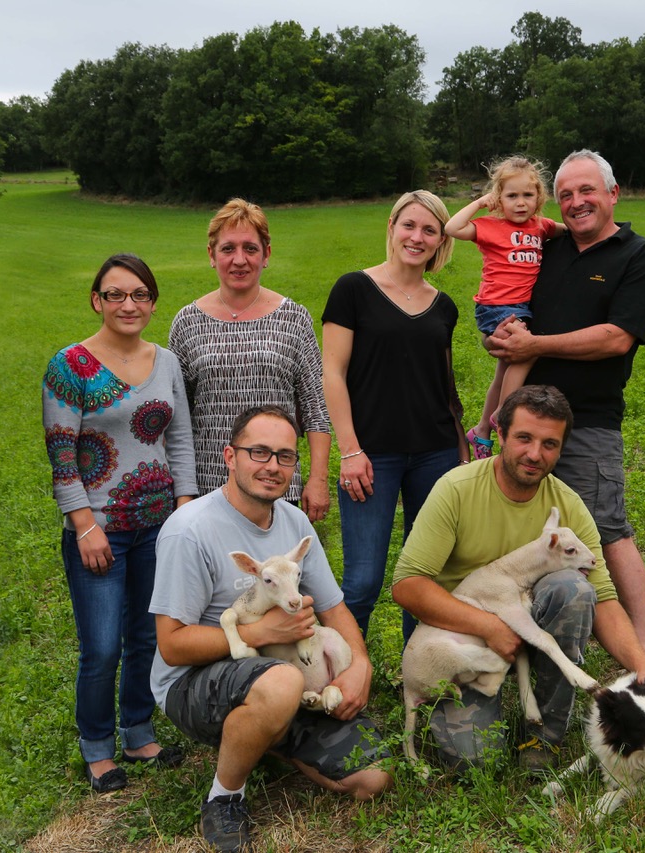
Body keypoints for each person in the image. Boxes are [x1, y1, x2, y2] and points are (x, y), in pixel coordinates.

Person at [392, 385, 645, 774]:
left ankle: (543, 736)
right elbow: (408, 584)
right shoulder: (455, 490)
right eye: (524, 438)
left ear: (560, 450)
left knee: (574, 589)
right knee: (472, 763)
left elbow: (605, 597)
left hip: (529, 623)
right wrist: (489, 627)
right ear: (501, 434)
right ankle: (475, 701)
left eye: (549, 444)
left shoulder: (568, 504)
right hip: (465, 641)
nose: (534, 454)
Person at [151, 405, 390, 853]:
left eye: (284, 456)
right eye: (258, 452)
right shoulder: (189, 531)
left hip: (278, 674)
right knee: (283, 680)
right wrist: (261, 633)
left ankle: (270, 734)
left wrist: (360, 664)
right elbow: (172, 646)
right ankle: (224, 798)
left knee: (372, 778)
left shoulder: (294, 522)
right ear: (229, 456)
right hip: (193, 683)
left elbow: (335, 607)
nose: (272, 467)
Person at [488, 149, 645, 668]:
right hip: (525, 421)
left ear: (613, 194)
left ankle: (643, 653)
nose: (576, 202)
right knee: (523, 536)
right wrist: (502, 338)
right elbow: (513, 311)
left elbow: (617, 338)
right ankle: (532, 642)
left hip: (587, 422)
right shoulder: (550, 247)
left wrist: (536, 345)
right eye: (565, 194)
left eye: (587, 190)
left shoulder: (640, 256)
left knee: (607, 531)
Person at [42, 253, 197, 792]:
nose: (128, 304)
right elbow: (62, 453)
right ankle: (97, 746)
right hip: (100, 529)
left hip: (159, 525)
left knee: (146, 636)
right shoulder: (72, 366)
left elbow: (179, 440)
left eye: (139, 295)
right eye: (115, 294)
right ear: (96, 301)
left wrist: (185, 507)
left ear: (152, 303)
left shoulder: (168, 362)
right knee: (103, 645)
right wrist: (85, 525)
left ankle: (138, 732)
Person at [322, 189, 468, 641]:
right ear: (391, 227)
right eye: (409, 225)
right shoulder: (353, 289)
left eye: (430, 230)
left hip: (435, 455)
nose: (417, 236)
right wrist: (350, 451)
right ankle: (346, 679)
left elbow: (445, 388)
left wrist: (463, 452)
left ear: (441, 241)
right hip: (371, 457)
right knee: (362, 582)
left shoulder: (444, 306)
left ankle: (421, 677)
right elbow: (332, 373)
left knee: (423, 579)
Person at [169, 198, 331, 522]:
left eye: (250, 249)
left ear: (266, 254)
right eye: (228, 249)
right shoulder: (186, 322)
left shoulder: (294, 319)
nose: (239, 260)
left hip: (277, 485)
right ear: (211, 255)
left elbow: (316, 410)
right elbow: (178, 422)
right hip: (208, 489)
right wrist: (183, 493)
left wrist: (318, 479)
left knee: (274, 573)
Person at [445, 155, 564, 460]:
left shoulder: (542, 226)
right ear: (500, 198)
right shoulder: (491, 226)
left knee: (503, 372)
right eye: (512, 196)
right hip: (496, 306)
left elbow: (574, 231)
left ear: (539, 197)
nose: (520, 202)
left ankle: (482, 431)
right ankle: (502, 412)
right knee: (529, 350)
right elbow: (452, 228)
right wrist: (481, 203)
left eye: (528, 195)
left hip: (521, 307)